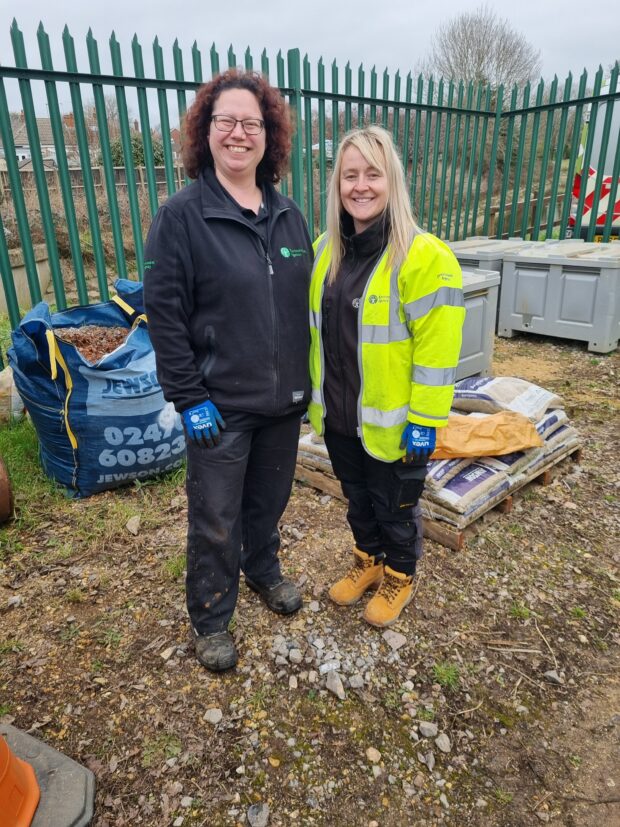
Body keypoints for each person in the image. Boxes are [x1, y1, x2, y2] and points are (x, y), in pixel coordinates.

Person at [143, 69, 312, 671]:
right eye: (226, 122)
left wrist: (304, 384)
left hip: (283, 402)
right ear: (206, 132)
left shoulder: (289, 217)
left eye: (252, 123)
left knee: (268, 504)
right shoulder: (182, 217)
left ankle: (263, 567)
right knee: (216, 518)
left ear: (269, 135)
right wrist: (189, 397)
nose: (239, 133)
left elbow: (298, 308)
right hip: (219, 407)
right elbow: (164, 314)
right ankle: (211, 616)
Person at [308, 125, 465, 628]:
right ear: (337, 186)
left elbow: (438, 352)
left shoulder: (423, 257)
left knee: (395, 506)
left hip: (398, 425)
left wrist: (425, 418)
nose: (360, 186)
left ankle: (400, 573)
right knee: (357, 499)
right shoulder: (324, 252)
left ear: (392, 181)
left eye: (372, 174)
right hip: (340, 415)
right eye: (349, 175)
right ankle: (367, 561)